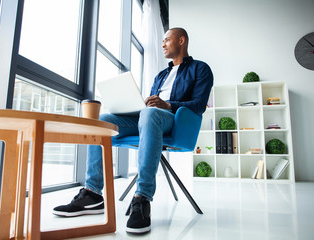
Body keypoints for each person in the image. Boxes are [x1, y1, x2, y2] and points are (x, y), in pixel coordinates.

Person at [53, 27, 213, 234]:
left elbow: (199, 105)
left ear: (181, 40)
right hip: (149, 117)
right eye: (162, 41)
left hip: (175, 120)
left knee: (150, 114)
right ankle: (92, 194)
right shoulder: (161, 75)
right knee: (102, 120)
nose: (163, 44)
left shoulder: (200, 69)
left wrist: (167, 105)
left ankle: (142, 198)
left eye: (167, 40)